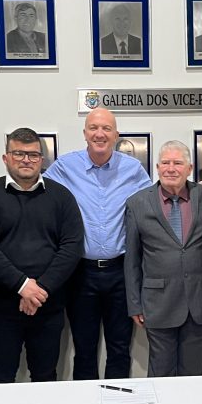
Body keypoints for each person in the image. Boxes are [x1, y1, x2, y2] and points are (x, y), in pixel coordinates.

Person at [0, 128, 84, 383]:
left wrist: (40, 289)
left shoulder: (62, 196)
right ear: (6, 158)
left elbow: (71, 246)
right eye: (18, 153)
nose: (26, 160)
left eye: (32, 155)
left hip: (47, 306)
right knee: (1, 377)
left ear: (41, 159)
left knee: (45, 377)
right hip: (1, 308)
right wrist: (22, 286)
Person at [44, 108, 151, 379]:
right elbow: (33, 189)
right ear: (85, 134)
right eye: (93, 128)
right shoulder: (65, 167)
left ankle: (117, 403)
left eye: (106, 128)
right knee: (84, 349)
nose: (99, 134)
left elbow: (156, 201)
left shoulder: (133, 170)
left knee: (119, 348)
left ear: (116, 135)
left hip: (121, 273)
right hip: (80, 274)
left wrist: (199, 189)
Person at [124, 141, 202, 376]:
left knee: (194, 374)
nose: (171, 168)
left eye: (178, 163)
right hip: (158, 302)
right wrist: (134, 303)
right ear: (157, 168)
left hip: (200, 301)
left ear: (190, 168)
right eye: (165, 163)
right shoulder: (137, 203)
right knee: (160, 374)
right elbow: (132, 259)